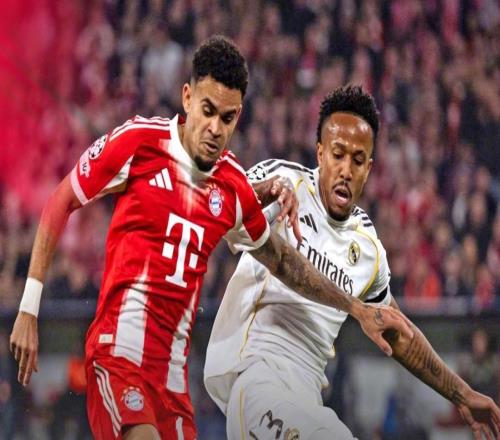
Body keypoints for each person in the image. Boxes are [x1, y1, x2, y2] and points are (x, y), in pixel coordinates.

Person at [8, 38, 412, 440]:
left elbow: (283, 261)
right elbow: (61, 201)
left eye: (228, 117)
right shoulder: (139, 143)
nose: (216, 128)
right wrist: (29, 308)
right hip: (118, 357)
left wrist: (354, 307)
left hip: (172, 382)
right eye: (208, 111)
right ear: (187, 97)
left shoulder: (232, 185)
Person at [204, 86, 500, 440]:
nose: (346, 169)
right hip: (256, 375)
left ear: (369, 168)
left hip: (307, 397)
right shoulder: (285, 183)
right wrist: (264, 189)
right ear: (320, 153)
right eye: (338, 155)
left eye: (358, 160)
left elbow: (396, 333)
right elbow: (218, 206)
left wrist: (462, 394)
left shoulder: (368, 248)